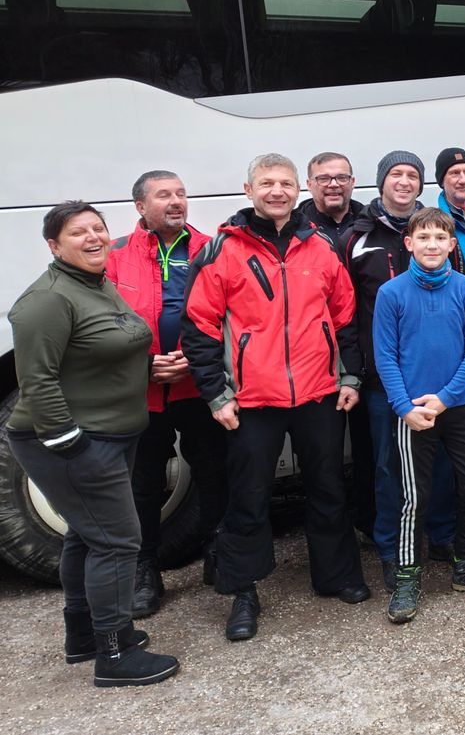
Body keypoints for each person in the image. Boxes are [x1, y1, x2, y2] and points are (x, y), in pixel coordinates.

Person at [183, 153, 370, 643]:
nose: (277, 191)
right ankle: (242, 591)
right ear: (249, 190)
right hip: (251, 399)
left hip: (318, 392)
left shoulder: (320, 247)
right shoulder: (224, 250)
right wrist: (216, 394)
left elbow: (345, 317)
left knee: (328, 487)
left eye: (285, 183)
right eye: (267, 183)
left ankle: (336, 575)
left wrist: (350, 378)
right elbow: (199, 326)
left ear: (297, 190)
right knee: (247, 496)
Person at [8, 201, 180, 687]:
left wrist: (148, 368)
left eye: (97, 228)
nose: (93, 238)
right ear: (53, 245)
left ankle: (83, 635)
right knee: (117, 540)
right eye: (77, 232)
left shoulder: (95, 284)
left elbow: (94, 353)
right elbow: (37, 380)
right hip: (76, 441)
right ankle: (114, 653)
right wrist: (71, 445)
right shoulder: (46, 300)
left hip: (110, 433)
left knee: (86, 536)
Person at [373, 207, 465, 624]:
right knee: (414, 497)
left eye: (439, 238)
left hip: (459, 406)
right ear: (409, 243)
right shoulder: (391, 293)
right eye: (423, 237)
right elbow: (385, 356)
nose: (431, 245)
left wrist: (446, 398)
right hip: (412, 412)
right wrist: (404, 407)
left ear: (452, 245)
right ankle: (407, 575)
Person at [106, 170, 224, 619]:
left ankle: (218, 549)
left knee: (214, 471)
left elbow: (229, 313)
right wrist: (145, 365)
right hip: (143, 390)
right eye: (163, 195)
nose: (176, 201)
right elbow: (99, 324)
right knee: (144, 482)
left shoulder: (210, 248)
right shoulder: (115, 255)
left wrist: (196, 360)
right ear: (141, 207)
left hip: (199, 384)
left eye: (180, 194)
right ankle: (145, 569)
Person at [344, 151, 457, 591]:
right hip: (383, 379)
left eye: (413, 174)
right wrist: (354, 370)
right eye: (396, 174)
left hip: (437, 379)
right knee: (389, 467)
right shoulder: (357, 238)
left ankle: (442, 536)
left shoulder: (437, 230)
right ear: (381, 182)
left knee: (440, 463)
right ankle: (391, 549)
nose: (405, 181)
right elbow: (345, 311)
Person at [301, 151, 365, 249]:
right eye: (323, 178)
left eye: (342, 178)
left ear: (352, 182)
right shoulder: (294, 228)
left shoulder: (373, 224)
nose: (334, 184)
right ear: (309, 185)